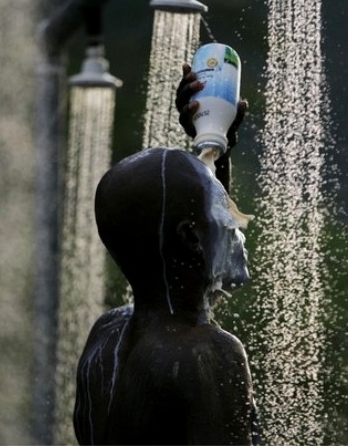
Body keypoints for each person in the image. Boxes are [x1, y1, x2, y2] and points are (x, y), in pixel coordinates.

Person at [72, 66, 259, 445]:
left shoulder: (107, 337)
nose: (236, 223)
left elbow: (193, 273)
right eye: (226, 209)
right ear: (190, 237)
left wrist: (214, 143)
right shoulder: (208, 354)